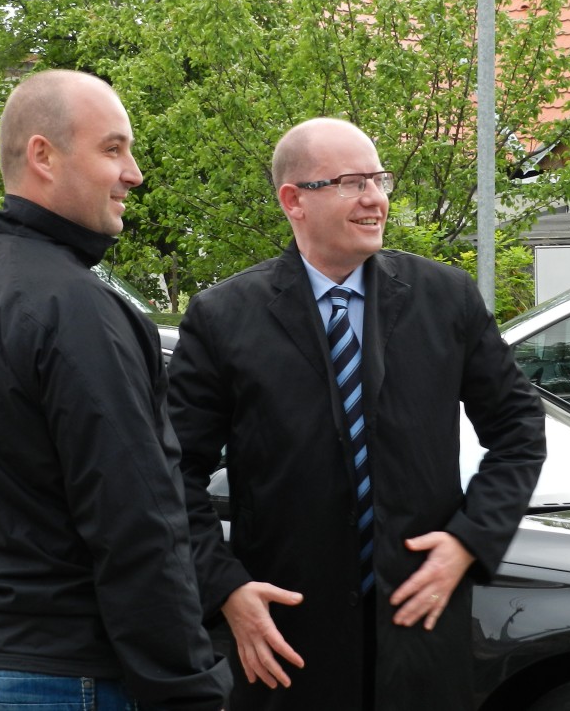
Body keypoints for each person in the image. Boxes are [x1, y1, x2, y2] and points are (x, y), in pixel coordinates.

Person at [167, 118, 547, 711]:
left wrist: (469, 541)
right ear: (293, 200)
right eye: (351, 182)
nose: (375, 198)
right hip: (287, 645)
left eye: (378, 179)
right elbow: (172, 471)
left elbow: (520, 431)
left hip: (420, 637)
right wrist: (226, 589)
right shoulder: (223, 318)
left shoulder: (446, 298)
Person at [0, 70, 231, 711]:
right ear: (44, 155)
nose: (133, 174)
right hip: (64, 674)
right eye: (113, 149)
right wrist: (189, 690)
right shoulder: (75, 308)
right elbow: (136, 517)